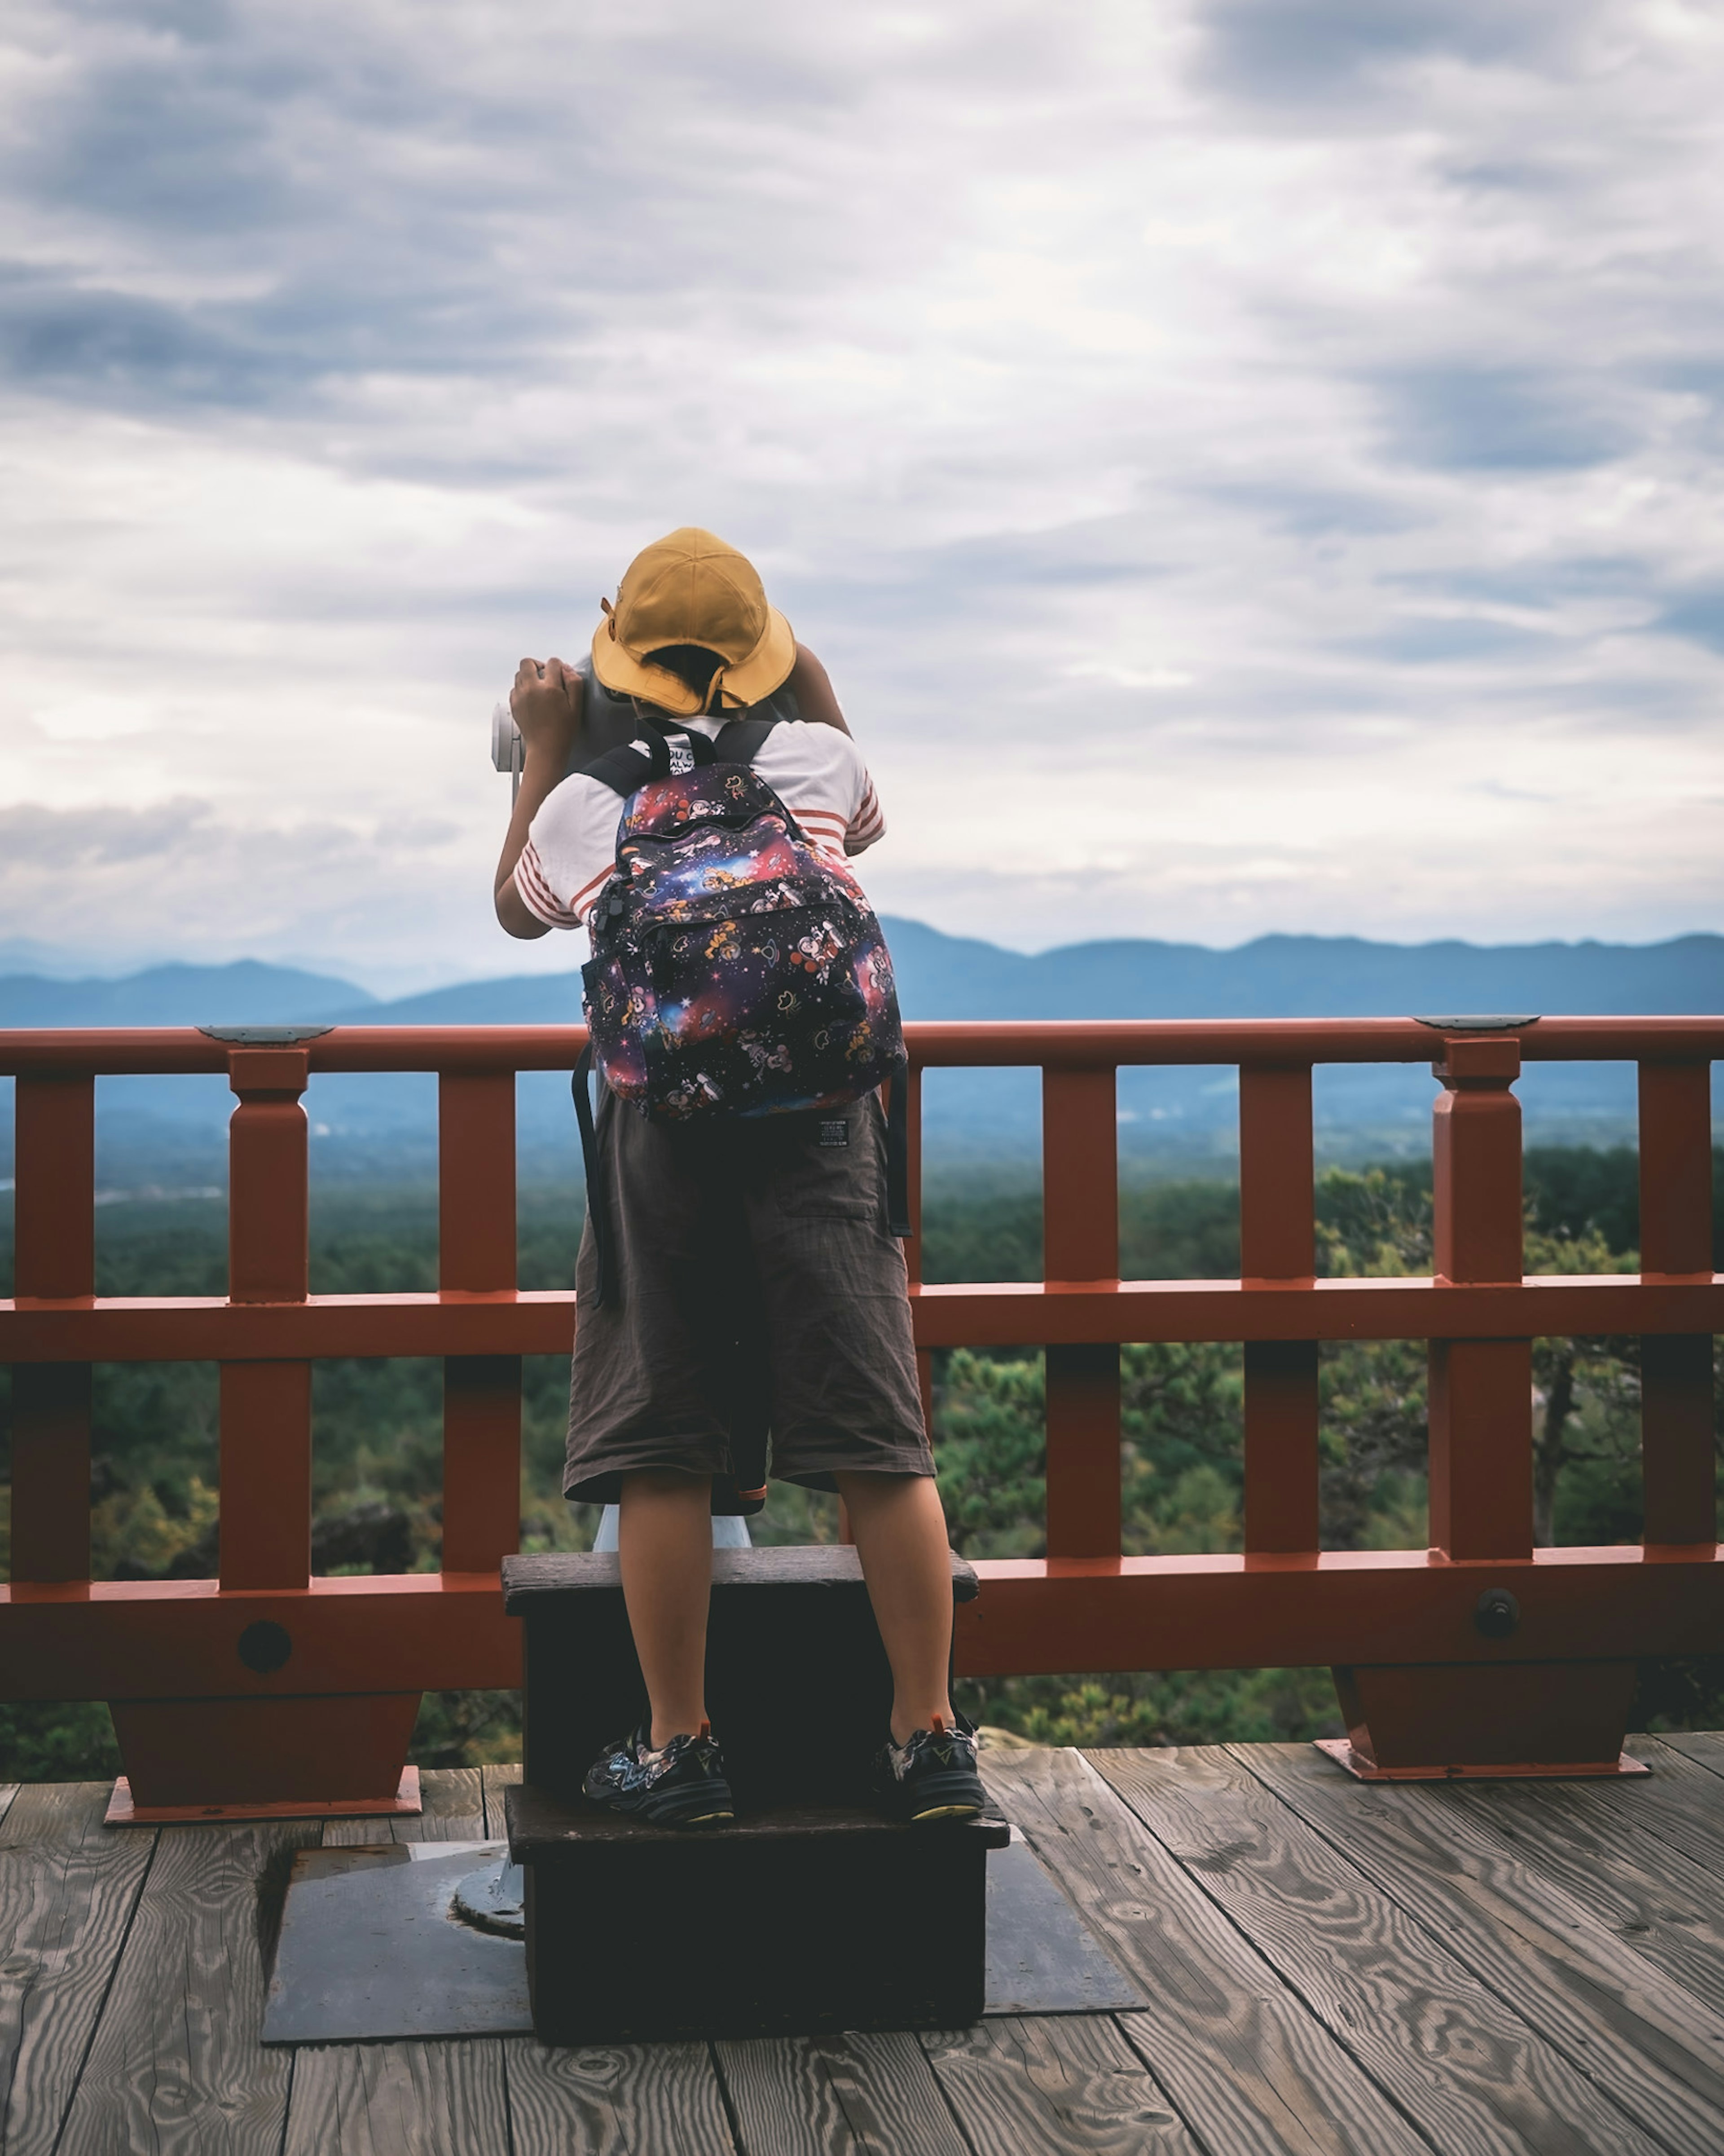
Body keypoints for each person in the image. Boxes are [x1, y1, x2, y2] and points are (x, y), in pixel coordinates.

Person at [493, 527, 985, 1830]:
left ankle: (680, 1747)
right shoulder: (814, 760)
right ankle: (929, 1735)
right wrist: (803, 670)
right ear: (762, 657)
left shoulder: (588, 802)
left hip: (666, 1136)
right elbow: (866, 823)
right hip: (825, 1124)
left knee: (664, 1441)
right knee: (880, 1440)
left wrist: (547, 739)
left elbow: (516, 903)